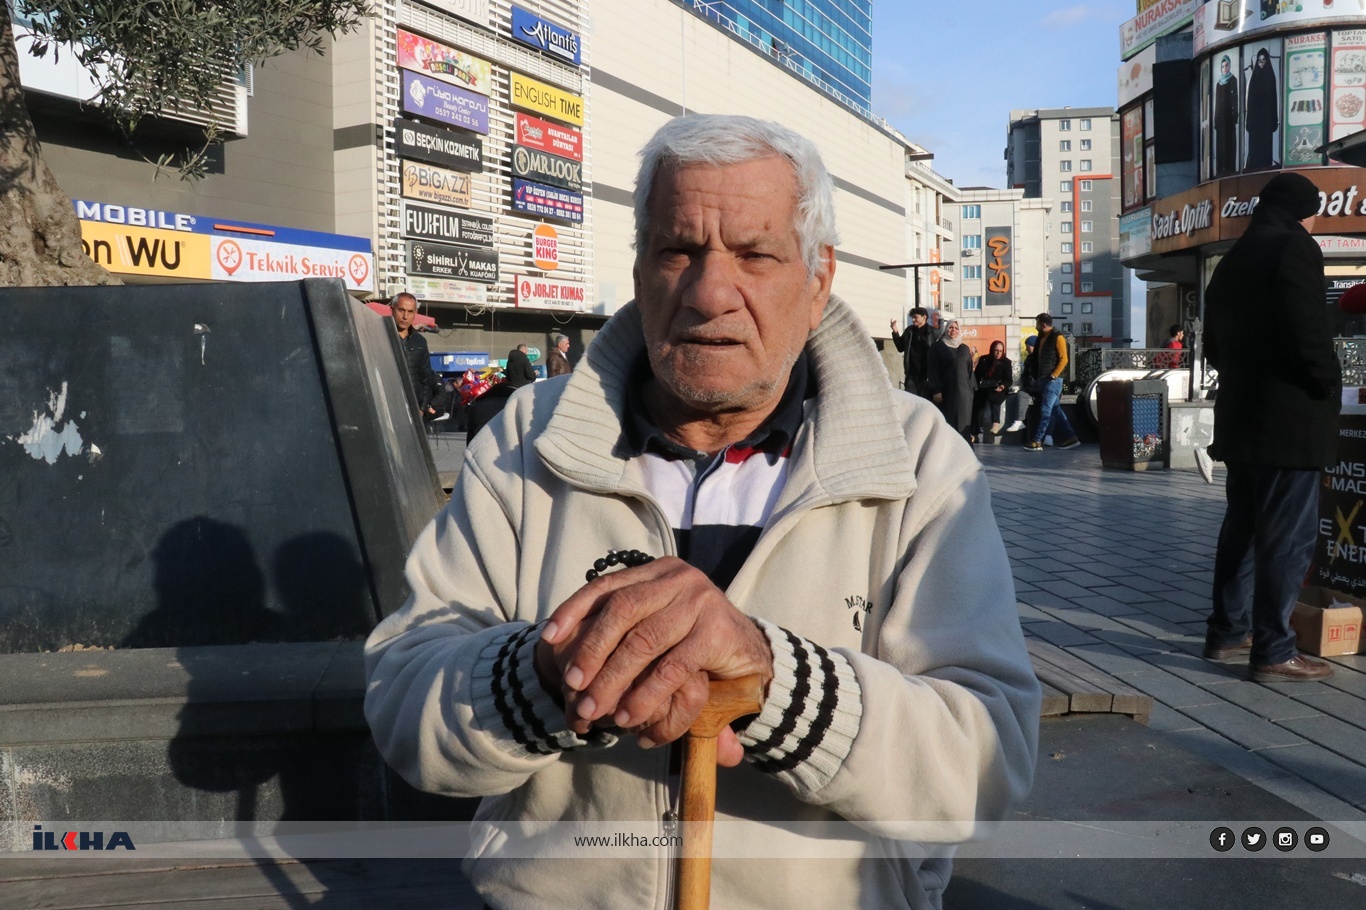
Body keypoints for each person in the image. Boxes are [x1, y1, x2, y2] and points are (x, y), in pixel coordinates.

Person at [364, 114, 1039, 910]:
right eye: (678, 250)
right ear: (642, 268)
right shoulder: (527, 439)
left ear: (818, 277)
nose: (710, 291)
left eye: (755, 254)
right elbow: (406, 700)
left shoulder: (918, 459)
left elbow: (985, 766)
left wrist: (774, 682)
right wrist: (548, 674)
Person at [1202, 171, 1337, 683]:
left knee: (1242, 527)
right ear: (1304, 209)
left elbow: (1213, 343)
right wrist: (1325, 383)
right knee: (1287, 535)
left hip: (1242, 416)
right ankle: (1275, 650)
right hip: (1289, 420)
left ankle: (1228, 632)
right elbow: (1309, 329)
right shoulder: (1294, 247)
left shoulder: (1232, 259)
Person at [1024, 313, 1079, 452]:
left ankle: (1037, 440)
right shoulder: (1042, 338)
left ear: (1043, 325)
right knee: (1055, 410)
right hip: (1044, 380)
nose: (1036, 327)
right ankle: (1071, 438)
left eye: (1037, 324)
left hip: (1052, 380)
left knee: (1046, 410)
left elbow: (1064, 359)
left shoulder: (1058, 337)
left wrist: (1054, 375)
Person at [390, 292, 442, 420]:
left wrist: (422, 408)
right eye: (401, 310)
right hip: (390, 407)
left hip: (414, 411)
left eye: (410, 311)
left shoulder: (420, 342)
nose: (405, 316)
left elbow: (426, 379)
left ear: (415, 313)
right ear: (392, 309)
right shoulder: (380, 336)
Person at [927, 319, 975, 441]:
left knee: (964, 426)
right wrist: (936, 390)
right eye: (950, 327)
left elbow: (970, 370)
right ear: (946, 329)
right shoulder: (937, 347)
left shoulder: (964, 348)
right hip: (946, 393)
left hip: (964, 395)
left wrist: (971, 390)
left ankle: (966, 454)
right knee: (949, 424)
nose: (953, 330)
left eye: (956, 328)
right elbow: (933, 369)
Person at [1244, 47, 1279, 171]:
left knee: (1265, 150)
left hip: (1266, 123)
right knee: (1254, 150)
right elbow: (1250, 103)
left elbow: (1274, 100)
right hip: (1255, 123)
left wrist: (1274, 122)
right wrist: (1248, 123)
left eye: (1264, 60)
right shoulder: (1254, 78)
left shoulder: (1270, 77)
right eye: (1259, 60)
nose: (1261, 62)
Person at [890, 306, 936, 397]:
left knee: (925, 405)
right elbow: (900, 347)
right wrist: (895, 331)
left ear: (924, 317)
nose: (913, 319)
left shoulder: (933, 332)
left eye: (916, 317)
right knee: (912, 401)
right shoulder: (909, 330)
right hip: (911, 376)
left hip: (927, 377)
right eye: (912, 317)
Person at [972, 340, 1012, 437]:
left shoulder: (1006, 362)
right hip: (983, 387)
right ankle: (974, 432)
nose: (998, 353)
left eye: (1000, 351)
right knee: (975, 405)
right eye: (996, 351)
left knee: (994, 398)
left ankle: (996, 423)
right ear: (992, 350)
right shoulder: (984, 359)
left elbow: (1008, 380)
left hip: (998, 388)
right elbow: (977, 376)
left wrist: (1002, 386)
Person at [1003, 335, 1038, 434]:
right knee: (1022, 394)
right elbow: (1025, 374)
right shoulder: (1029, 358)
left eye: (1028, 346)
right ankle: (1018, 421)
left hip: (1039, 387)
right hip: (1030, 386)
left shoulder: (1039, 358)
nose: (1026, 348)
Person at [1215, 54, 1240, 176]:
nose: (1224, 68)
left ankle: (1229, 168)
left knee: (1229, 144)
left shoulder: (1233, 80)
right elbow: (1217, 103)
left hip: (1229, 119)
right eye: (1223, 66)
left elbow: (1235, 99)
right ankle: (1221, 169)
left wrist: (1235, 116)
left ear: (1229, 66)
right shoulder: (1219, 83)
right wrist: (1215, 120)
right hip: (1220, 120)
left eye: (1226, 65)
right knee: (1220, 145)